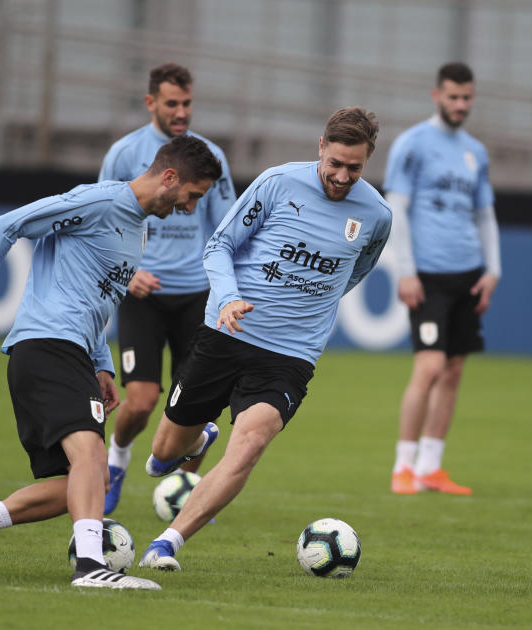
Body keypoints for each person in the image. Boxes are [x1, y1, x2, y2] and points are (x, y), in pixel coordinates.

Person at [0, 136, 223, 589]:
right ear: (170, 177)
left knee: (78, 482)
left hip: (67, 353)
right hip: (49, 344)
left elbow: (98, 298)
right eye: (192, 195)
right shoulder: (100, 200)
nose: (191, 208)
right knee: (91, 457)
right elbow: (7, 225)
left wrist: (102, 365)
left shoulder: (140, 228)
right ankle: (90, 566)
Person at [133, 106, 391, 571]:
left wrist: (309, 309)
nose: (341, 175)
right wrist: (229, 298)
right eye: (334, 163)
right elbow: (219, 246)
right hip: (227, 333)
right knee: (163, 454)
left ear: (368, 159)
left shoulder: (376, 215)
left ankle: (167, 543)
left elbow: (355, 273)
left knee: (250, 444)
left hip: (290, 355)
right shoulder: (278, 183)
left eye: (354, 167)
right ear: (320, 148)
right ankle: (196, 439)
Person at [98, 62, 236, 515]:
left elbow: (228, 227)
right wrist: (127, 272)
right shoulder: (125, 153)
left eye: (187, 103)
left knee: (196, 409)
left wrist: (225, 287)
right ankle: (117, 460)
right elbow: (103, 220)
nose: (181, 112)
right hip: (143, 296)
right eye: (172, 103)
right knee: (140, 402)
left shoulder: (209, 158)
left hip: (197, 295)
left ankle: (183, 497)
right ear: (151, 102)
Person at [384, 62, 500, 496]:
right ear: (436, 95)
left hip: (468, 272)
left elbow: (485, 215)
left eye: (466, 97)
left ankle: (431, 467)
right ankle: (403, 465)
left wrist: (493, 270)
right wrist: (406, 270)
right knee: (429, 365)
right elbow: (396, 207)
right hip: (428, 274)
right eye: (452, 97)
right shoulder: (413, 144)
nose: (460, 105)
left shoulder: (475, 151)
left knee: (453, 369)